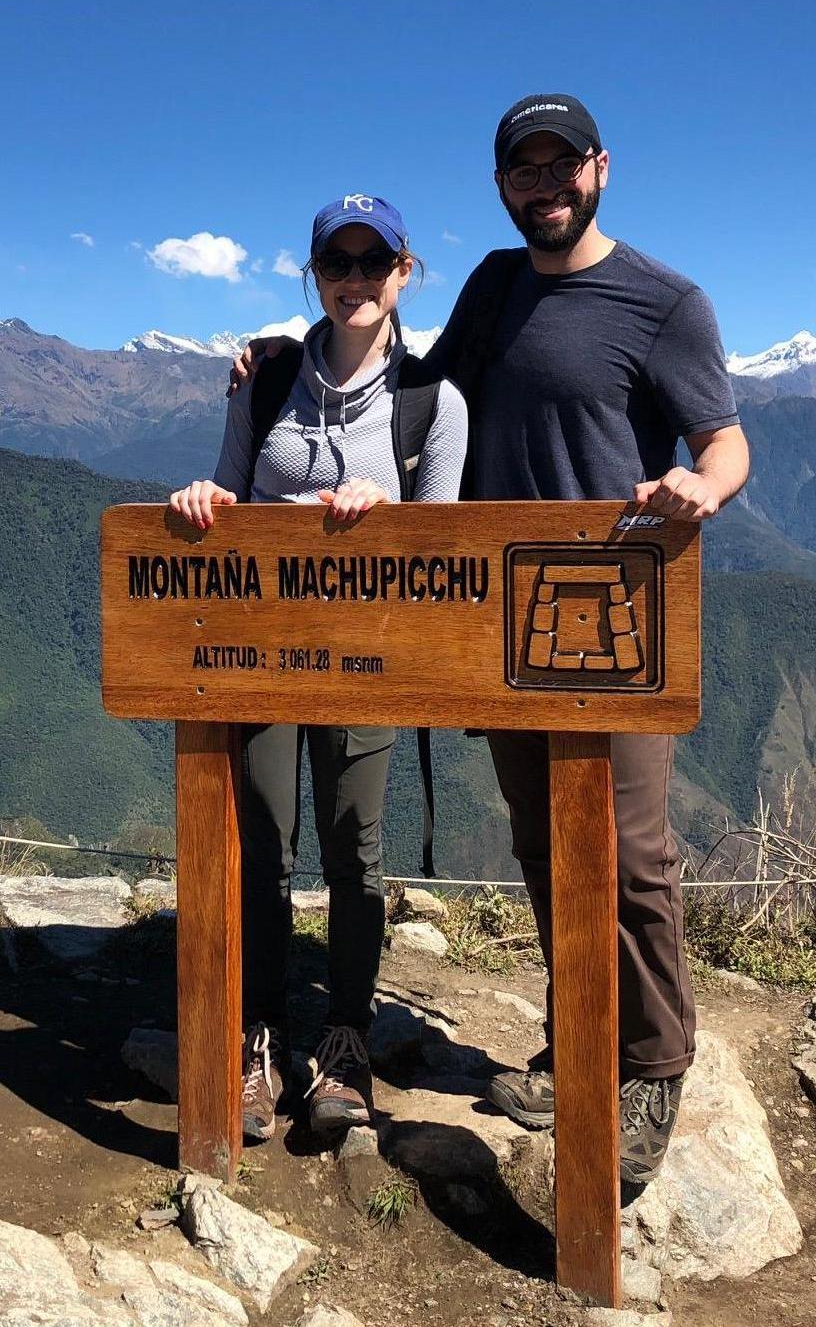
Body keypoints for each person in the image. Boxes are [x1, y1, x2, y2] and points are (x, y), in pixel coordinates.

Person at [229, 96, 750, 1182]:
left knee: (634, 854)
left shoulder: (664, 301)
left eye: (563, 166)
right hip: (501, 620)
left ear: (600, 169)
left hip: (614, 608)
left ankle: (651, 1066)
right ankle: (577, 1049)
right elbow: (404, 373)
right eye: (525, 169)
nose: (545, 184)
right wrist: (276, 356)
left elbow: (724, 438)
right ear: (504, 184)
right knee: (542, 845)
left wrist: (699, 486)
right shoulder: (493, 288)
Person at [171, 194, 467, 1144]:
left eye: (372, 262)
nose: (355, 279)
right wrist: (199, 500)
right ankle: (259, 1036)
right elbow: (222, 490)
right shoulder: (263, 379)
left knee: (354, 848)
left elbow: (444, 558)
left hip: (369, 660)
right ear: (314, 276)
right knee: (260, 842)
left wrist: (395, 513)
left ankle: (345, 1038)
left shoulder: (434, 404)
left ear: (403, 273)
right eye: (336, 263)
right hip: (258, 650)